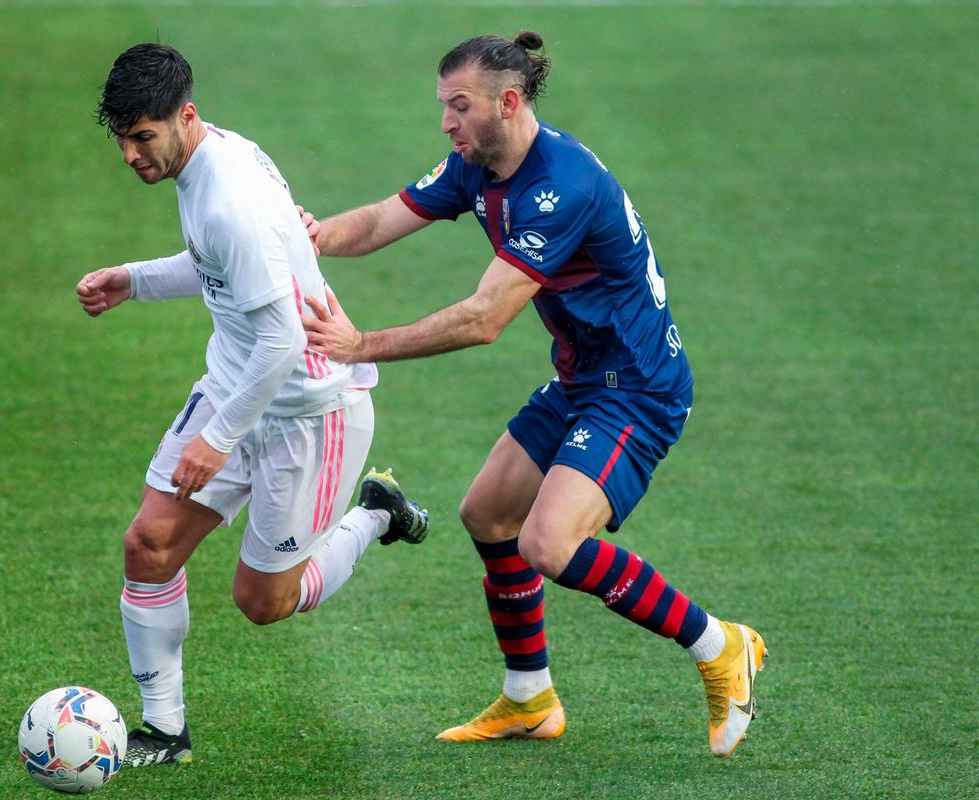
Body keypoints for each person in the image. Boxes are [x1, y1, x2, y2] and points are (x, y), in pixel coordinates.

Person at [299, 31, 766, 757]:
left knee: (550, 542)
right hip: (584, 377)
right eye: (444, 108)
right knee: (488, 513)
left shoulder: (561, 185)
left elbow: (485, 320)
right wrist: (313, 236)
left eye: (459, 108)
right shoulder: (478, 163)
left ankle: (719, 643)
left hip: (638, 390)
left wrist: (361, 347)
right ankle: (530, 698)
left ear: (507, 103)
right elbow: (384, 220)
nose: (446, 124)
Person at [75, 43, 430, 768]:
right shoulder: (212, 160)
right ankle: (163, 732)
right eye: (121, 139)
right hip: (237, 388)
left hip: (310, 410)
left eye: (143, 137)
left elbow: (277, 341)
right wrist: (134, 280)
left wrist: (218, 437)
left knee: (263, 601)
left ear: (186, 117)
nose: (130, 155)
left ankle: (377, 512)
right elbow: (218, 269)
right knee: (149, 545)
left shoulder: (229, 196)